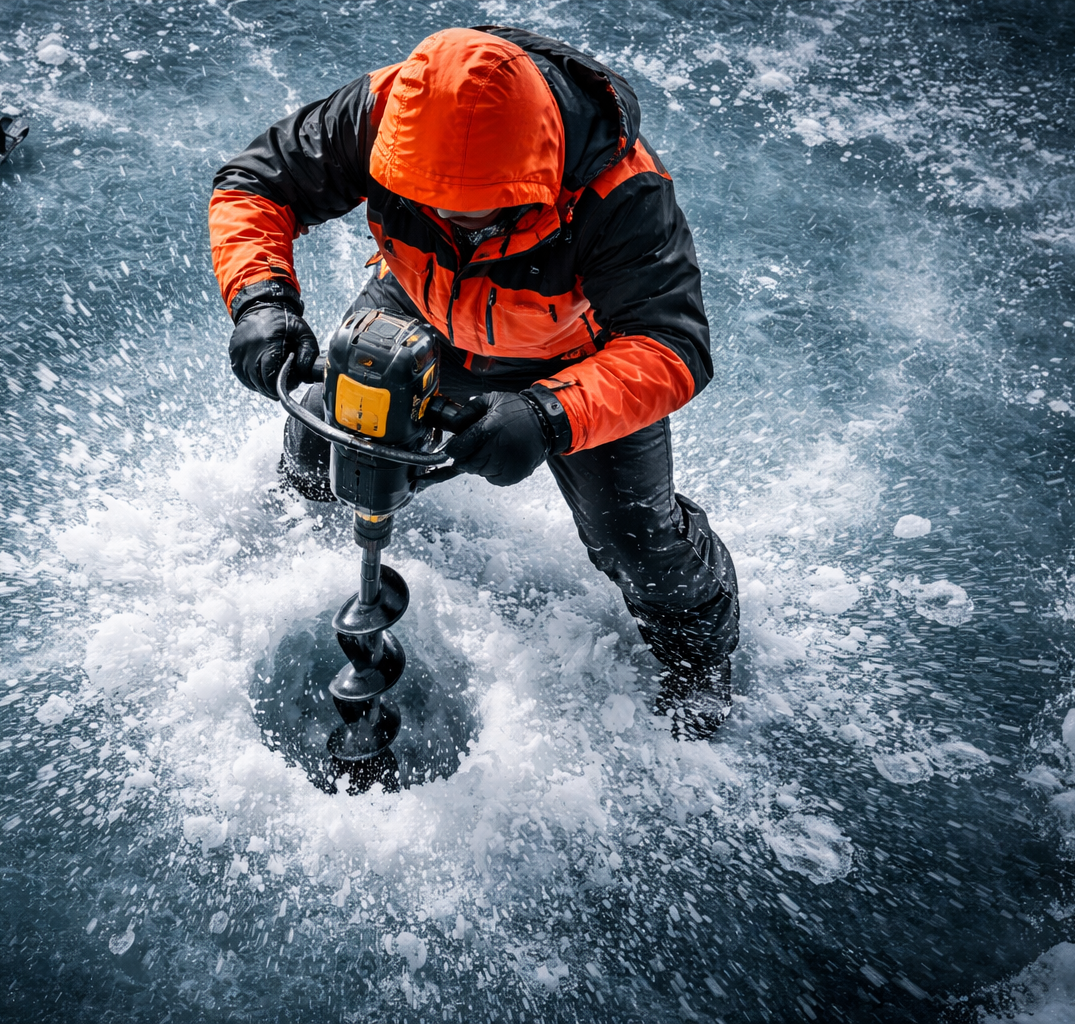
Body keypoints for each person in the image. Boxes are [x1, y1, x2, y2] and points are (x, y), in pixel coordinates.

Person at [207, 26, 739, 737]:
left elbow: (671, 345)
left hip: (579, 359)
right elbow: (256, 182)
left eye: (479, 205)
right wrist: (260, 300)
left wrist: (549, 416)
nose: (453, 219)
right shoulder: (386, 109)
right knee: (320, 437)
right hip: (417, 306)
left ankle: (701, 673)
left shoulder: (621, 189)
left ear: (538, 162)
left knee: (635, 541)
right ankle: (304, 543)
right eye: (429, 198)